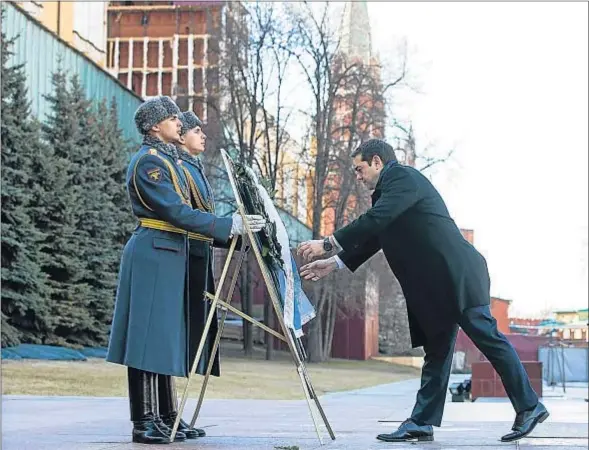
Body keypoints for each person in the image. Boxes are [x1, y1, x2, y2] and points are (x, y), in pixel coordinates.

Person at [297, 139, 548, 443]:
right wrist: (333, 263)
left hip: (458, 275)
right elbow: (376, 233)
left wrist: (327, 243)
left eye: (360, 169)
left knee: (488, 338)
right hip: (438, 286)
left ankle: (530, 406)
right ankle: (421, 422)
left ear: (377, 161)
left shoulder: (403, 178)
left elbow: (375, 221)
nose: (358, 177)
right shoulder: (389, 196)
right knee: (437, 351)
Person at [106, 96, 266, 445]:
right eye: (172, 118)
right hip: (154, 249)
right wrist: (227, 225)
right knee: (147, 338)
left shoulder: (171, 162)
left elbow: (189, 216)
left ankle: (164, 416)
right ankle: (144, 420)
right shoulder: (149, 163)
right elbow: (176, 212)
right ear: (153, 126)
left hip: (170, 251)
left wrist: (234, 234)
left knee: (164, 338)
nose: (180, 123)